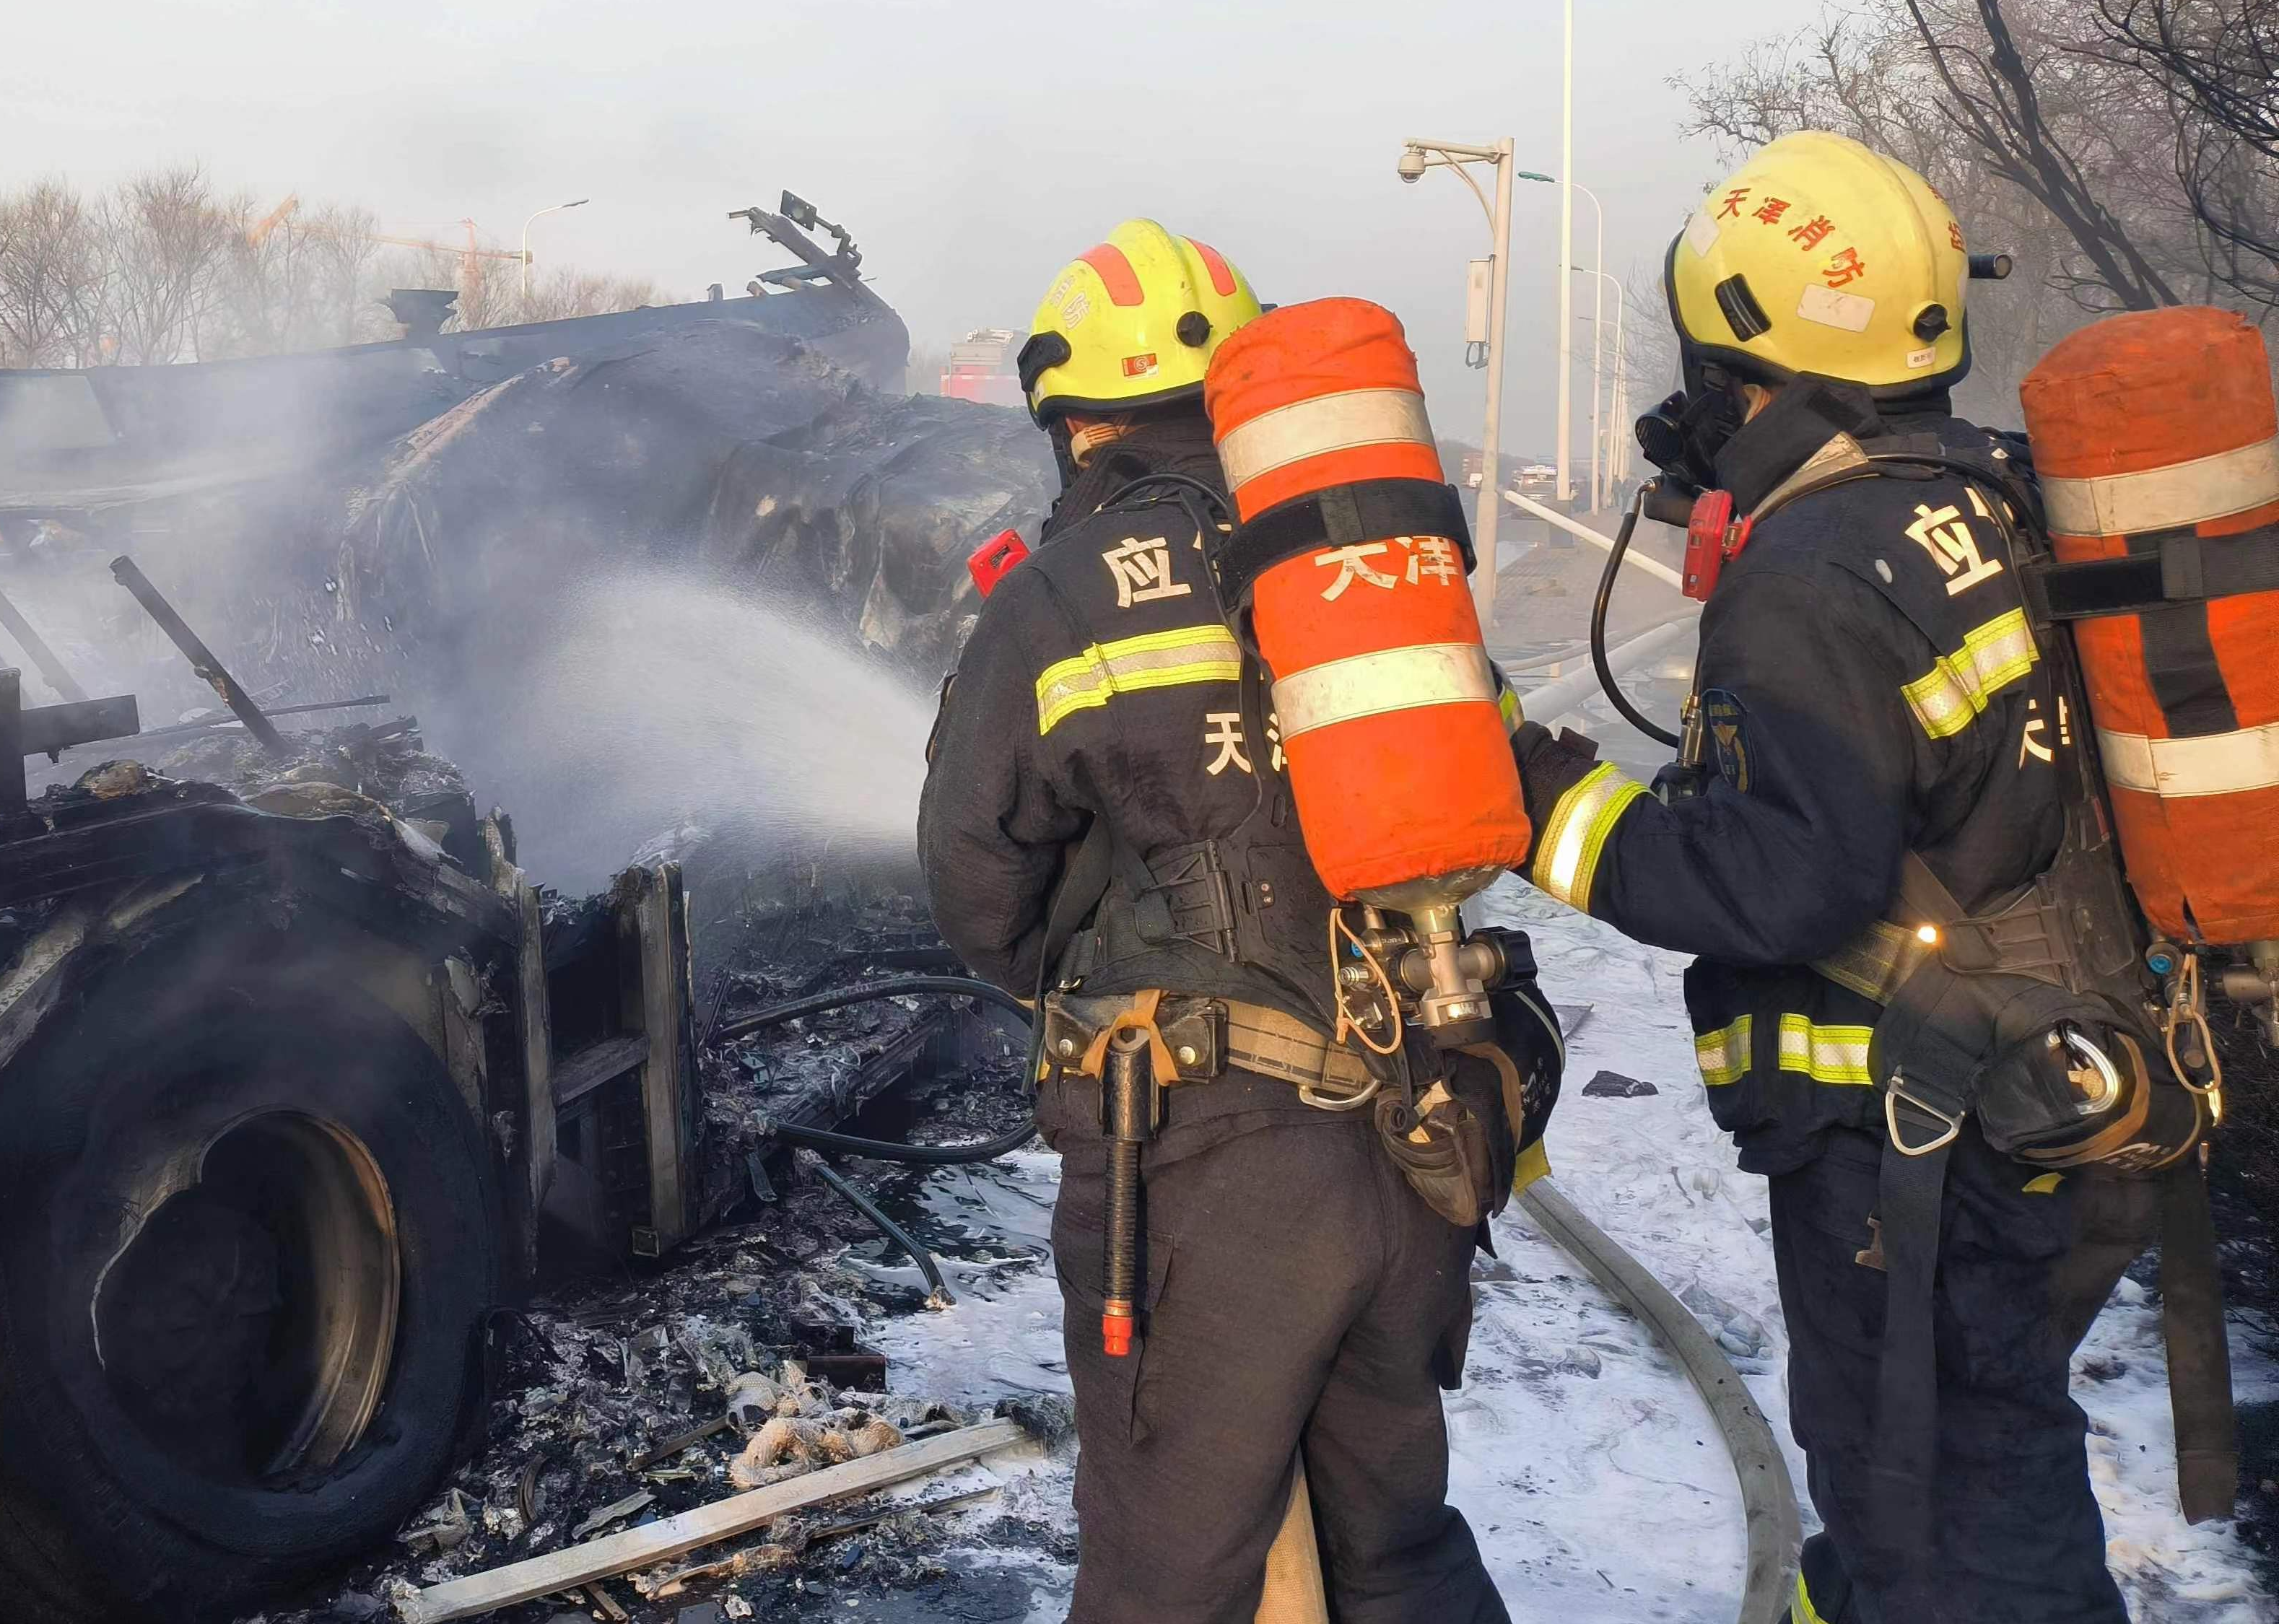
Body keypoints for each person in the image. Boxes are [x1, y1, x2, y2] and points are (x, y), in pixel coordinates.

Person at [1505, 131, 2192, 1623]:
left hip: (1921, 1139)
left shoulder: (1814, 573)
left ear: (1747, 372)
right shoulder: (1995, 500)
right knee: (1953, 1474)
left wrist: (1544, 811)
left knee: (1946, 1513)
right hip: (2063, 1094)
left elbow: (1782, 888)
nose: (1686, 410)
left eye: (1703, 373)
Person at [918, 219, 1527, 1624]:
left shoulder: (1068, 591)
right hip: (1408, 1137)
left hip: (1203, 1166)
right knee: (1393, 1551)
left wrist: (1101, 943)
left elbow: (975, 887)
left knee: (1168, 1576)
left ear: (1076, 426)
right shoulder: (1360, 566)